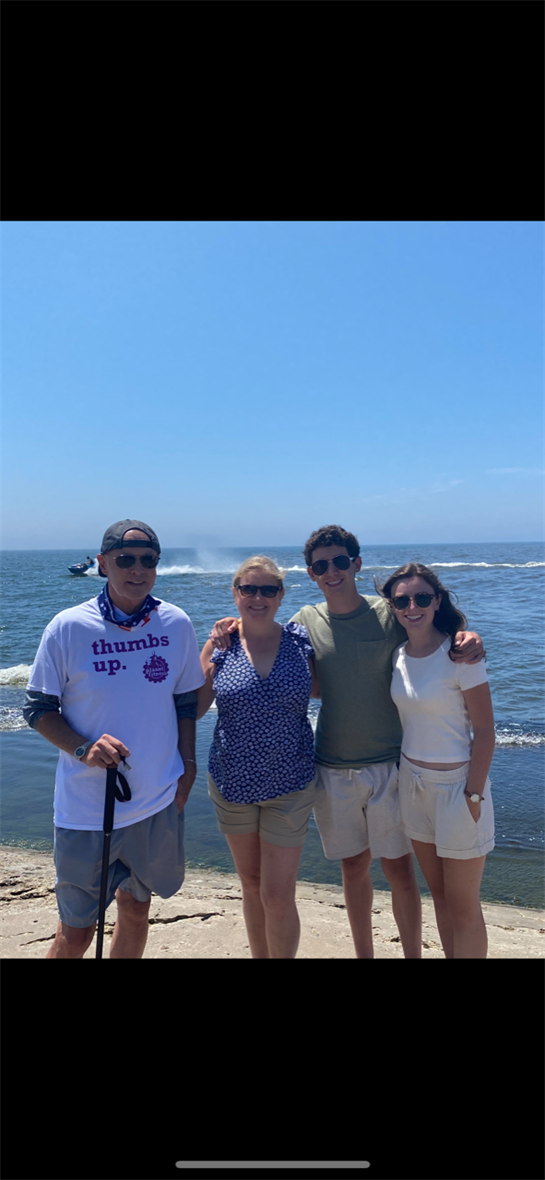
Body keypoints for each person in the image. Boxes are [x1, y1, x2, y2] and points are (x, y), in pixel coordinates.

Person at [209, 524, 485, 959]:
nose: (332, 571)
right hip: (332, 764)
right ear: (311, 573)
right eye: (321, 565)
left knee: (399, 871)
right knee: (354, 868)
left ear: (356, 563)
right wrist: (225, 628)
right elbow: (264, 638)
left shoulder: (389, 612)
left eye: (340, 561)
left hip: (393, 764)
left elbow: (432, 636)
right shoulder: (304, 623)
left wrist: (468, 638)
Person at [23, 519, 205, 959]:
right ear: (103, 564)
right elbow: (37, 709)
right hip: (86, 810)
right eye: (125, 560)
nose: (137, 569)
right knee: (77, 932)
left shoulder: (175, 623)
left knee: (137, 908)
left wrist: (188, 764)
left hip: (156, 800)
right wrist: (83, 749)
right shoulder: (68, 627)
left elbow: (184, 703)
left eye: (148, 561)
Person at [197, 555, 319, 958]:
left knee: (278, 893)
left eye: (268, 589)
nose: (258, 597)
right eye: (248, 588)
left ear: (281, 595)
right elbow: (194, 708)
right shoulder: (219, 646)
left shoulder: (301, 641)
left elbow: (343, 679)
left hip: (291, 782)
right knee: (250, 885)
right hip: (232, 782)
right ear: (235, 593)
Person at [383, 562, 495, 958]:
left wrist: (474, 795)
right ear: (392, 606)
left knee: (465, 907)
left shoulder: (460, 654)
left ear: (437, 601)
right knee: (441, 898)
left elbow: (485, 731)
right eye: (401, 600)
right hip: (413, 786)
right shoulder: (396, 655)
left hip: (459, 791)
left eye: (422, 597)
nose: (412, 606)